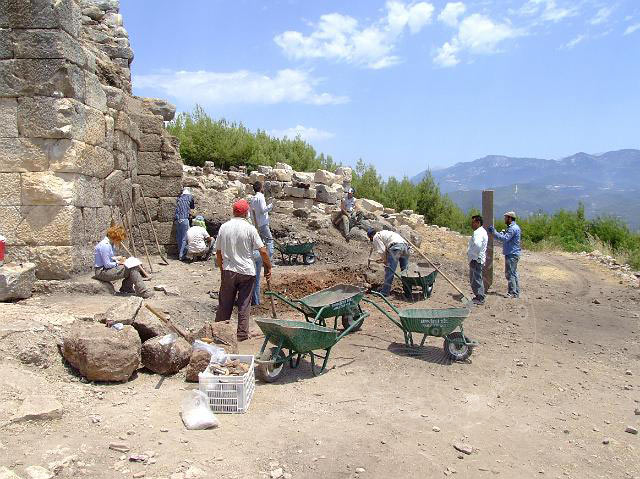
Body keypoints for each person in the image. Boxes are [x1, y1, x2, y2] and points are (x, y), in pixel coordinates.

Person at [215, 199, 272, 341]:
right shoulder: (250, 228)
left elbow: (218, 252)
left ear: (233, 211)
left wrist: (223, 270)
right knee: (244, 305)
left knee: (225, 304)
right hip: (247, 272)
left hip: (229, 270)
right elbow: (263, 251)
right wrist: (268, 267)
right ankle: (241, 335)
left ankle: (219, 333)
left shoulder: (224, 227)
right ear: (246, 213)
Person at [93, 225, 153, 298]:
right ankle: (142, 292)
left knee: (133, 265)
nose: (120, 241)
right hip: (102, 272)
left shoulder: (109, 244)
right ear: (116, 237)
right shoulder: (105, 245)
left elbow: (107, 258)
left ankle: (127, 288)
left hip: (105, 270)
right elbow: (107, 264)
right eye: (120, 239)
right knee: (132, 267)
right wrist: (119, 262)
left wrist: (118, 258)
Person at [249, 181, 274, 305]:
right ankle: (270, 259)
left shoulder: (253, 199)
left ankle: (264, 258)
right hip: (263, 223)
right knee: (269, 241)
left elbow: (251, 212)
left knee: (260, 243)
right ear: (261, 188)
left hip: (256, 223)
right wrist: (271, 206)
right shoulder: (261, 197)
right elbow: (264, 209)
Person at [488, 211, 521, 298]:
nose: (504, 219)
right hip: (513, 253)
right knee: (513, 273)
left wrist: (494, 233)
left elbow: (505, 239)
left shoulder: (512, 228)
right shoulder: (513, 227)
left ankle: (512, 293)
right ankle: (516, 292)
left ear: (510, 218)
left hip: (511, 254)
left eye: (506, 218)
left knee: (510, 273)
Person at [367, 228, 410, 297]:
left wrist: (385, 261)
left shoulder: (376, 237)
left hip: (396, 248)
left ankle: (384, 292)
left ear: (371, 236)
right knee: (405, 272)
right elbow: (386, 251)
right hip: (405, 247)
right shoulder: (385, 233)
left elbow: (382, 251)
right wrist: (383, 259)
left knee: (389, 271)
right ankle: (408, 292)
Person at [467, 215, 488, 305]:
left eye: (473, 222)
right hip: (478, 258)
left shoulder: (478, 233)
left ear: (478, 223)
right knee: (477, 278)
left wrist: (473, 257)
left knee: (475, 279)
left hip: (476, 259)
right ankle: (479, 295)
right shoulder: (482, 231)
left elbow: (478, 245)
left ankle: (480, 297)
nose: (472, 224)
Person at [174, 187, 194, 261]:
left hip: (177, 220)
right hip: (184, 219)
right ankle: (182, 255)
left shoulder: (179, 198)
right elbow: (192, 207)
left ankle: (180, 253)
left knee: (179, 237)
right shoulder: (190, 197)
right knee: (184, 238)